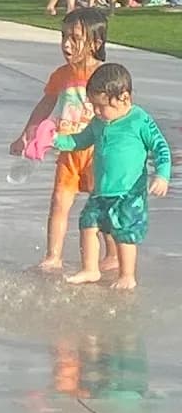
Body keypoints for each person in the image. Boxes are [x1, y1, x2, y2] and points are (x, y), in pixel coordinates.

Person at [9, 7, 116, 272]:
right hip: (68, 151)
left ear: (96, 42)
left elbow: (121, 111)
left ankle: (113, 252)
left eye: (75, 38)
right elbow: (45, 105)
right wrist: (27, 133)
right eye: (63, 36)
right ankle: (53, 256)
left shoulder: (106, 76)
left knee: (100, 204)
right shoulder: (61, 75)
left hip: (97, 151)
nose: (66, 44)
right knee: (59, 201)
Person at [54, 63, 171, 290]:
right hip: (101, 190)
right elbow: (79, 140)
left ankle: (127, 275)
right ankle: (90, 269)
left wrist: (162, 175)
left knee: (124, 232)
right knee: (87, 222)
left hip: (129, 192)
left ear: (124, 97)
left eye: (101, 106)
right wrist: (56, 140)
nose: (96, 112)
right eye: (93, 105)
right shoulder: (99, 122)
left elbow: (161, 147)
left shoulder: (139, 120)